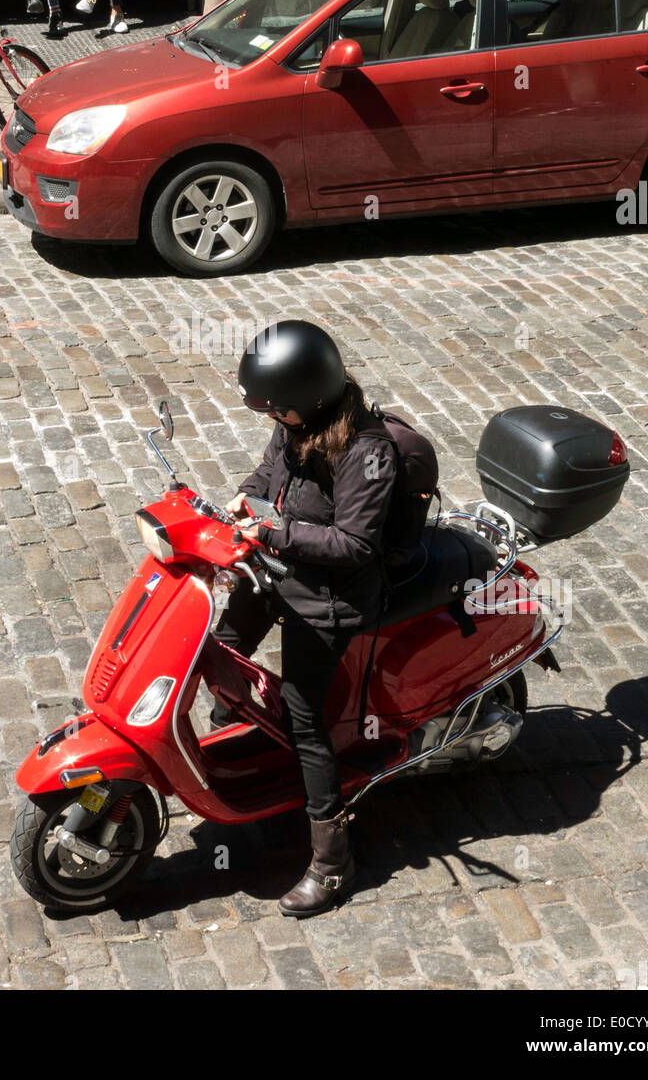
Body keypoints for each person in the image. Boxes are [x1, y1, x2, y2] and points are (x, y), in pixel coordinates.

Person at [218, 320, 397, 918]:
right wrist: (246, 497)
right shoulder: (295, 424)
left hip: (331, 598)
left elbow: (354, 545)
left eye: (280, 411)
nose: (275, 422)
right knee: (221, 645)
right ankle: (237, 745)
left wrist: (275, 530)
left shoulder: (368, 453)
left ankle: (332, 861)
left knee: (304, 718)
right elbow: (270, 474)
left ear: (309, 399)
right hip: (279, 566)